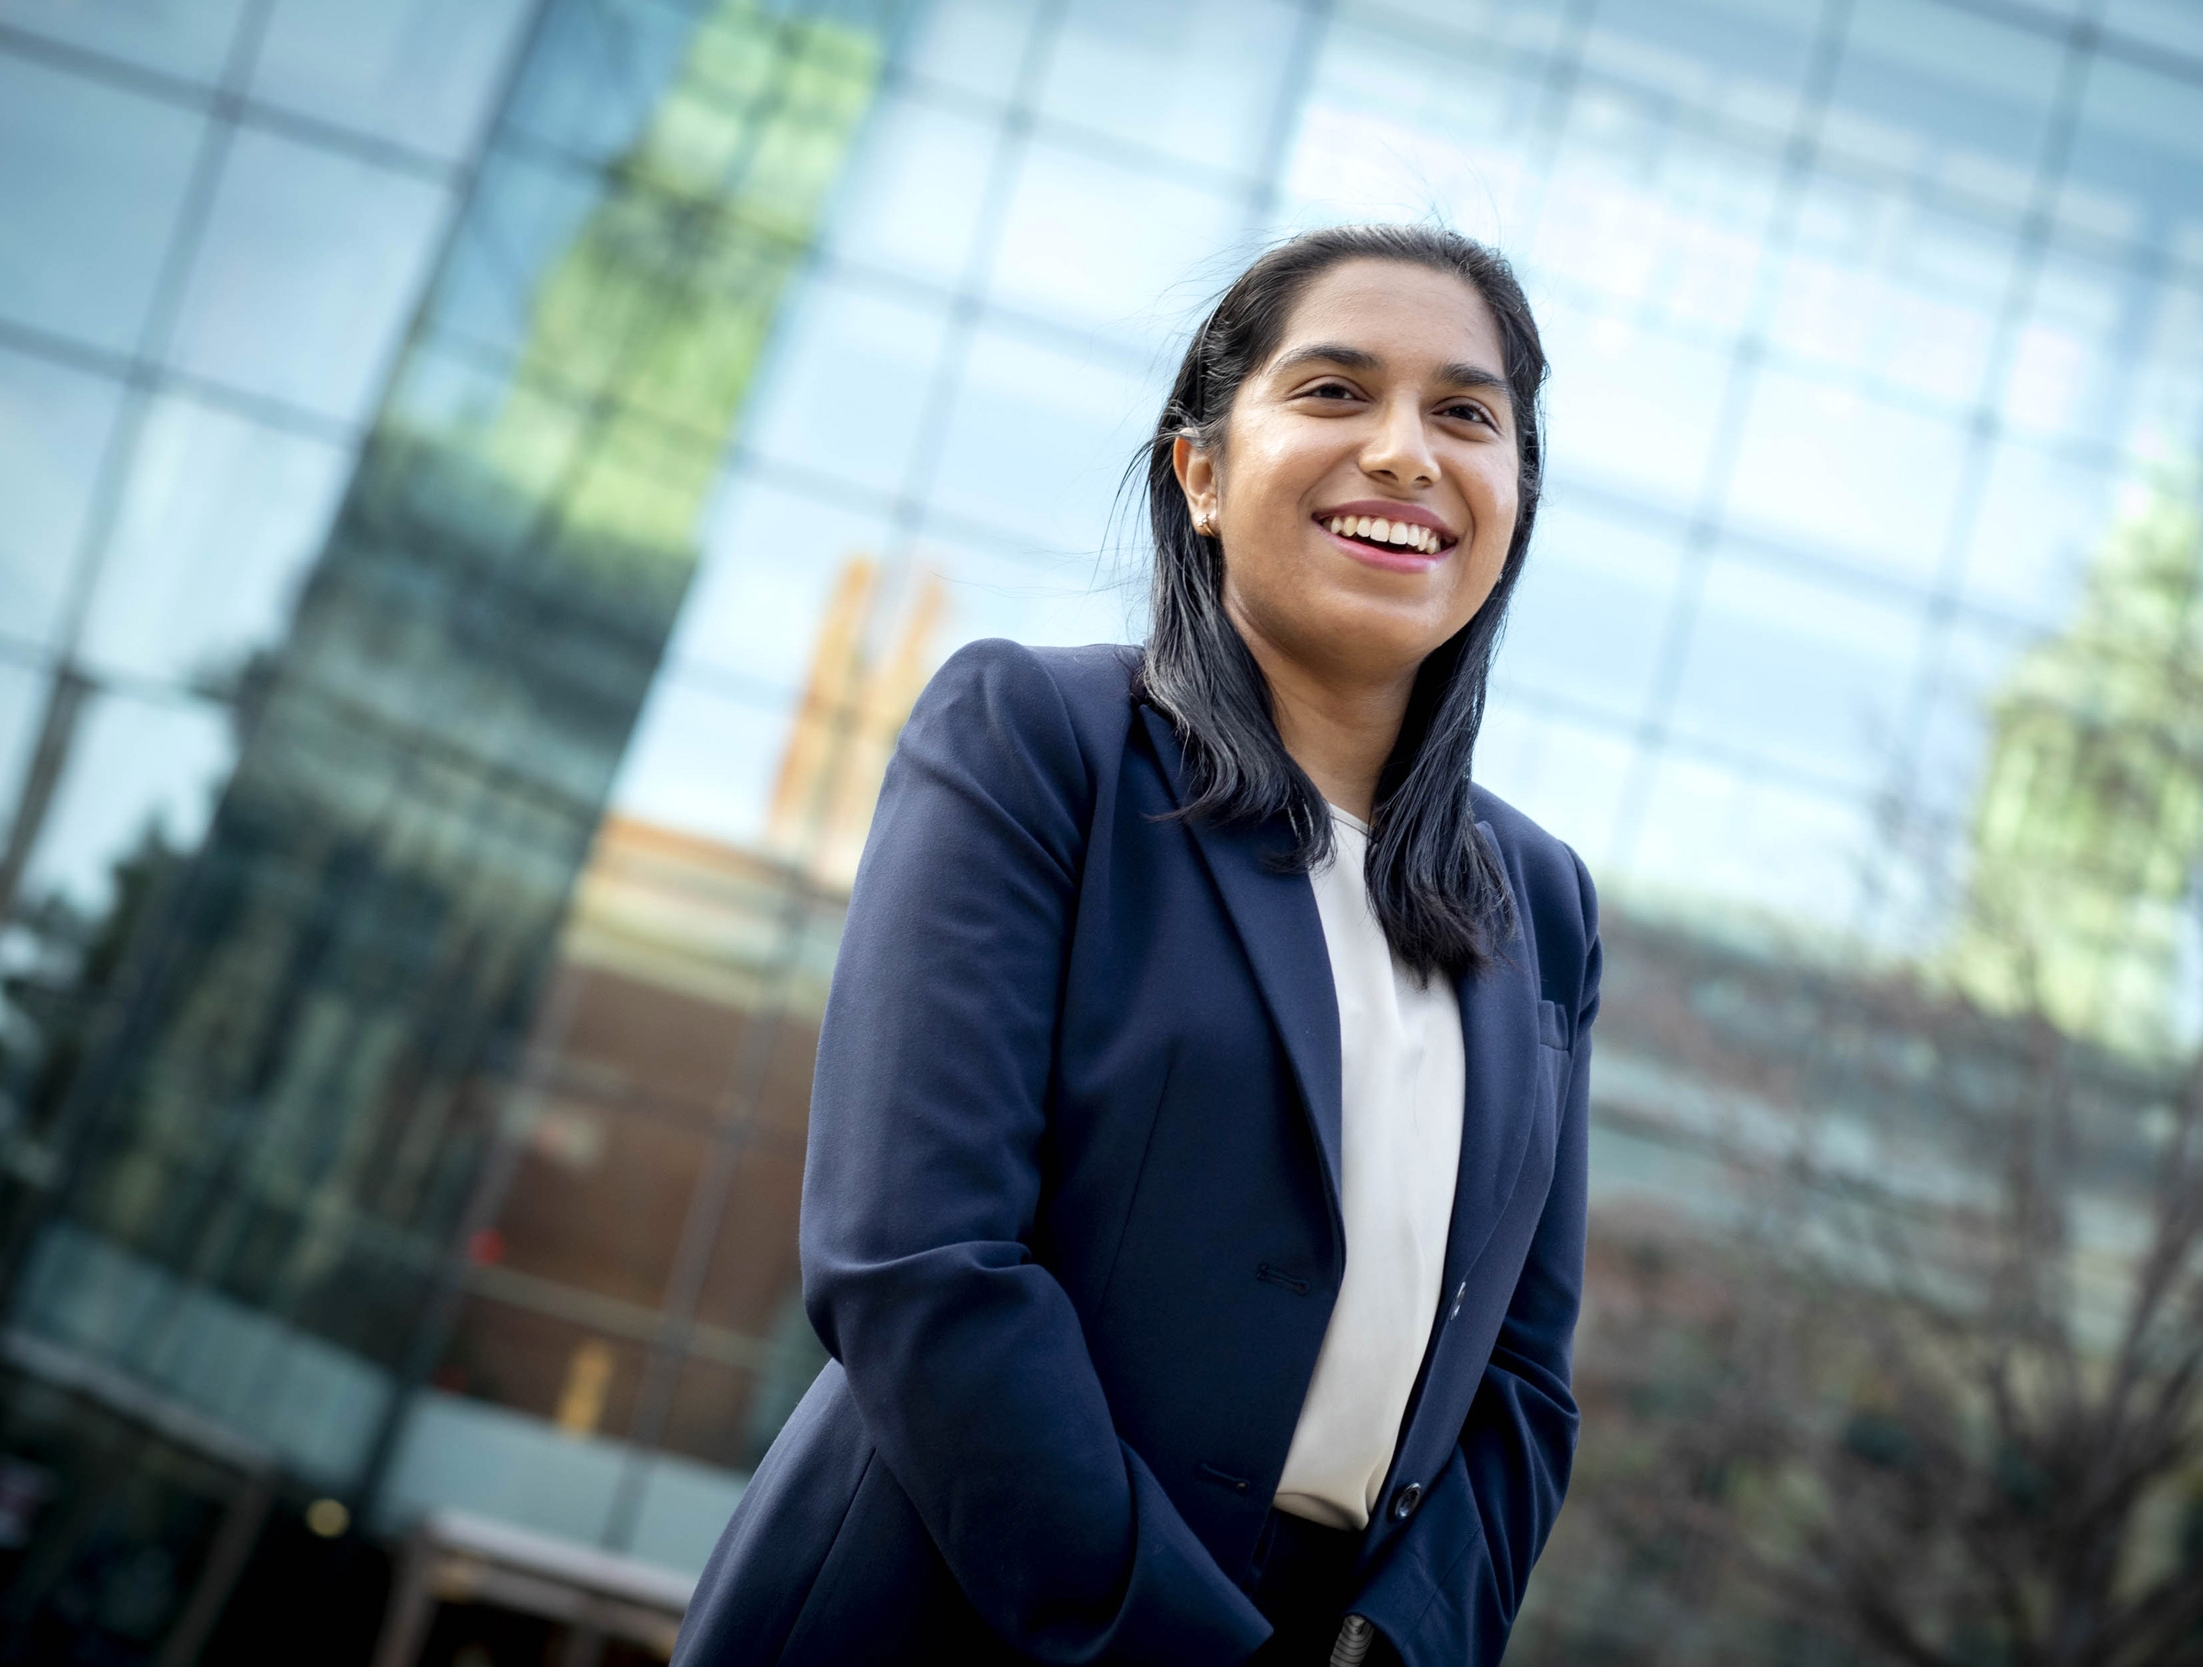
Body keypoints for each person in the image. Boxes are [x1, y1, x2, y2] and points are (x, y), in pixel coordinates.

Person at [674, 225, 1599, 1666]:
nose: (1409, 454)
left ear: (1514, 502)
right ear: (1205, 475)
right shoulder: (1038, 743)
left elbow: (1523, 1387)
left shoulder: (1542, 904)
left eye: (1466, 414)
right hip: (941, 1614)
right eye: (1335, 392)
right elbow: (916, 1257)